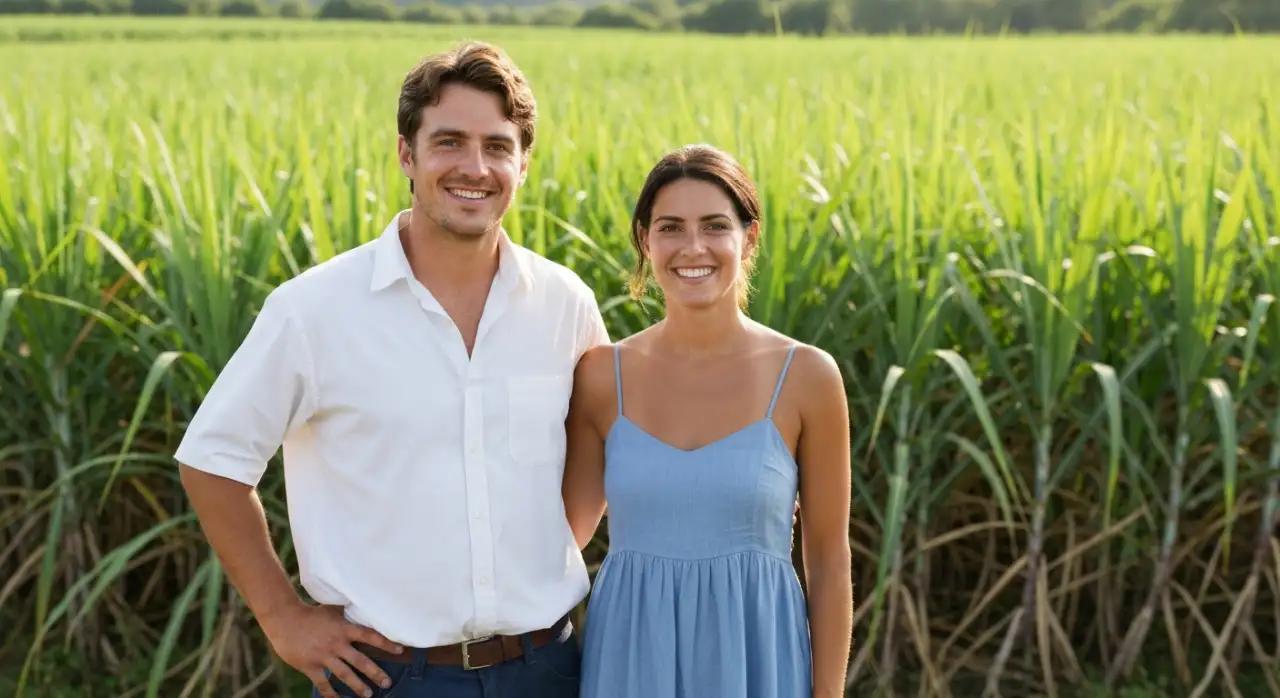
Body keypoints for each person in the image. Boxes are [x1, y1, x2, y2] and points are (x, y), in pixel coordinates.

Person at [175, 41, 609, 698]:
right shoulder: (314, 309)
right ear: (406, 154)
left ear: (524, 161)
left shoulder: (564, 302)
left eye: (497, 146)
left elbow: (595, 444)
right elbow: (212, 459)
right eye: (449, 142)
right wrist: (282, 616)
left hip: (548, 667)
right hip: (388, 677)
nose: (475, 166)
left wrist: (541, 559)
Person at [560, 144, 854, 698]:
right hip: (629, 661)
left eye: (715, 226)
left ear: (749, 238)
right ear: (646, 240)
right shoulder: (602, 378)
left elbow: (829, 562)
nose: (692, 247)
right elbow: (560, 540)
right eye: (671, 228)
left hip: (758, 659)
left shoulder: (807, 377)